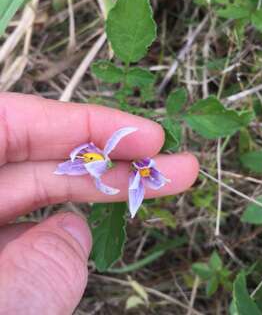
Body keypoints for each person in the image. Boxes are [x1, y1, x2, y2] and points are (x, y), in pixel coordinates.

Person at [0, 92, 199, 314]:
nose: (89, 157)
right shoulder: (102, 163)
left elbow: (117, 156)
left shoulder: (119, 168)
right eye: (88, 157)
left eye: (90, 156)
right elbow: (83, 166)